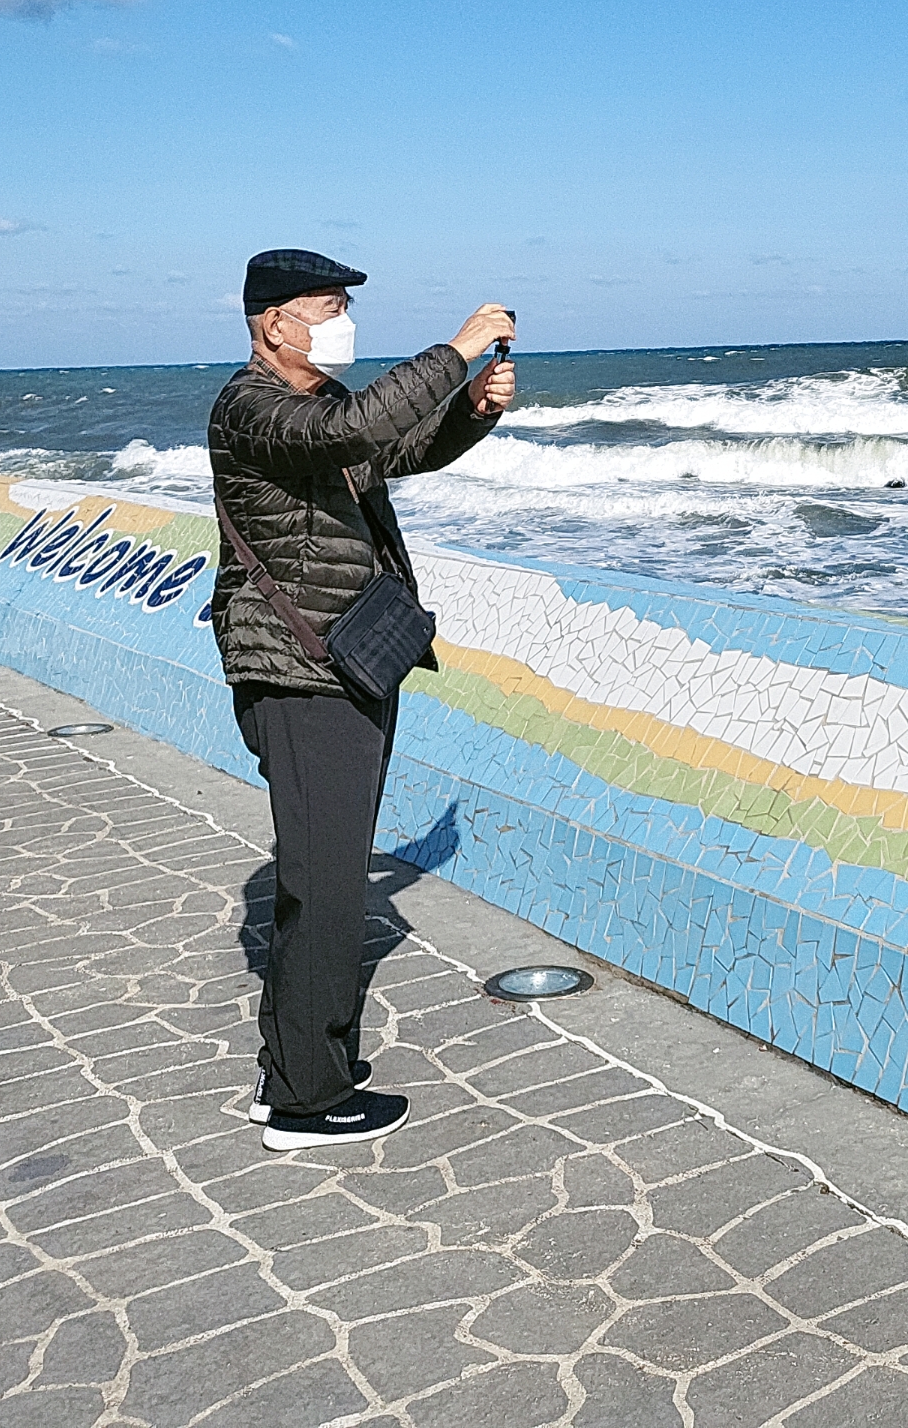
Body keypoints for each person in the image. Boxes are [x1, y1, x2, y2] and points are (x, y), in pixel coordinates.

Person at [207, 247, 517, 1151]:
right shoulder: (251, 407)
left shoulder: (319, 407)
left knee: (329, 879)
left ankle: (299, 1066)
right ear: (275, 323)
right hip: (297, 671)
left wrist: (471, 411)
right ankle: (307, 1103)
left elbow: (394, 448)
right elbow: (353, 433)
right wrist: (456, 350)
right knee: (326, 888)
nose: (344, 323)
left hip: (345, 662)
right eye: (329, 308)